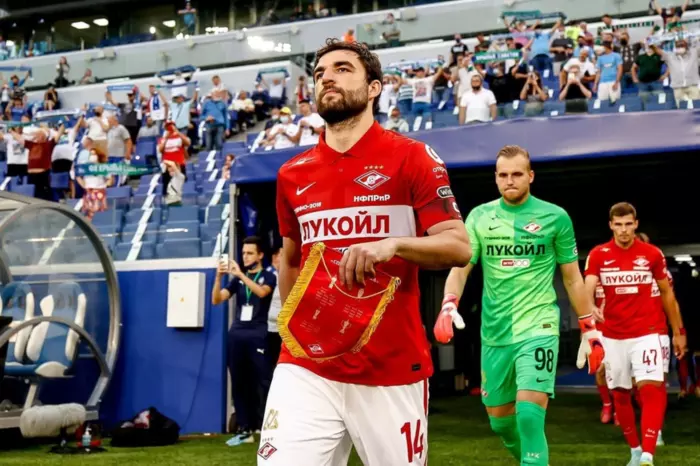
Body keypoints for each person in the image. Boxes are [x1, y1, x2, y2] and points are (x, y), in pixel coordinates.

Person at [260, 38, 470, 465]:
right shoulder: (291, 174)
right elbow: (293, 259)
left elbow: (458, 245)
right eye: (320, 74)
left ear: (374, 88)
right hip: (306, 366)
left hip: (389, 365)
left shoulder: (412, 157)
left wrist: (394, 244)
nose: (327, 79)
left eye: (342, 69)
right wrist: (294, 331)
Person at [435, 145, 603, 466]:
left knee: (528, 413)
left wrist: (589, 328)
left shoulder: (555, 217)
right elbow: (461, 268)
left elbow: (572, 278)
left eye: (516, 174)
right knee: (500, 423)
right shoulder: (479, 217)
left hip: (539, 325)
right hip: (495, 333)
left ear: (531, 176)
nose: (509, 180)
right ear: (496, 178)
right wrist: (448, 303)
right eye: (503, 175)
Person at [584, 202, 687, 466]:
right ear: (611, 226)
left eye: (628, 224)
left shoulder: (652, 254)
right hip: (612, 335)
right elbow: (587, 285)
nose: (624, 230)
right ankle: (635, 450)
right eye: (618, 225)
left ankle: (648, 454)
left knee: (651, 386)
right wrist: (589, 307)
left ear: (636, 224)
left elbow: (667, 294)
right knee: (620, 393)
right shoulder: (598, 254)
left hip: (648, 332)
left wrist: (678, 331)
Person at [212, 236, 276, 445]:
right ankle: (245, 429)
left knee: (262, 381)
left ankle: (267, 428)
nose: (245, 257)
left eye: (250, 253)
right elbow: (217, 299)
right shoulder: (237, 279)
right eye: (243, 253)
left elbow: (262, 292)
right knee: (239, 382)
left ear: (260, 255)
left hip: (258, 334)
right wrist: (218, 278)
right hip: (237, 334)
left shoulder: (269, 276)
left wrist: (240, 274)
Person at [158, 120, 190, 196]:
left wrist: (178, 133)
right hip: (167, 164)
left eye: (171, 126)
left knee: (181, 181)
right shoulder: (163, 139)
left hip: (179, 163)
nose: (170, 128)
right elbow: (160, 149)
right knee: (166, 183)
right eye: (168, 126)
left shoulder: (180, 137)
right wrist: (166, 138)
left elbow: (187, 143)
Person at [265, 247, 283, 378]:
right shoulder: (268, 276)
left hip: (282, 330)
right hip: (269, 329)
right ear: (274, 258)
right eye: (282, 255)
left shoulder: (284, 275)